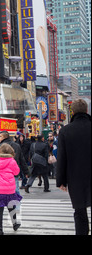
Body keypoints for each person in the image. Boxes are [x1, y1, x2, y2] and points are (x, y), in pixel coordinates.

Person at [56, 99, 91, 235]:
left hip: (75, 177)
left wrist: (61, 180)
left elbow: (62, 158)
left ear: (73, 112)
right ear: (86, 110)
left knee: (80, 210)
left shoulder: (65, 131)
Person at [0, 131, 29, 195]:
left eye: (0, 136)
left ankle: (7, 203)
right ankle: (16, 204)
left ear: (4, 137)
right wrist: (26, 172)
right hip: (13, 172)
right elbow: (21, 160)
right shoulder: (16, 146)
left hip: (2, 173)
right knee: (15, 190)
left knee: (2, 191)